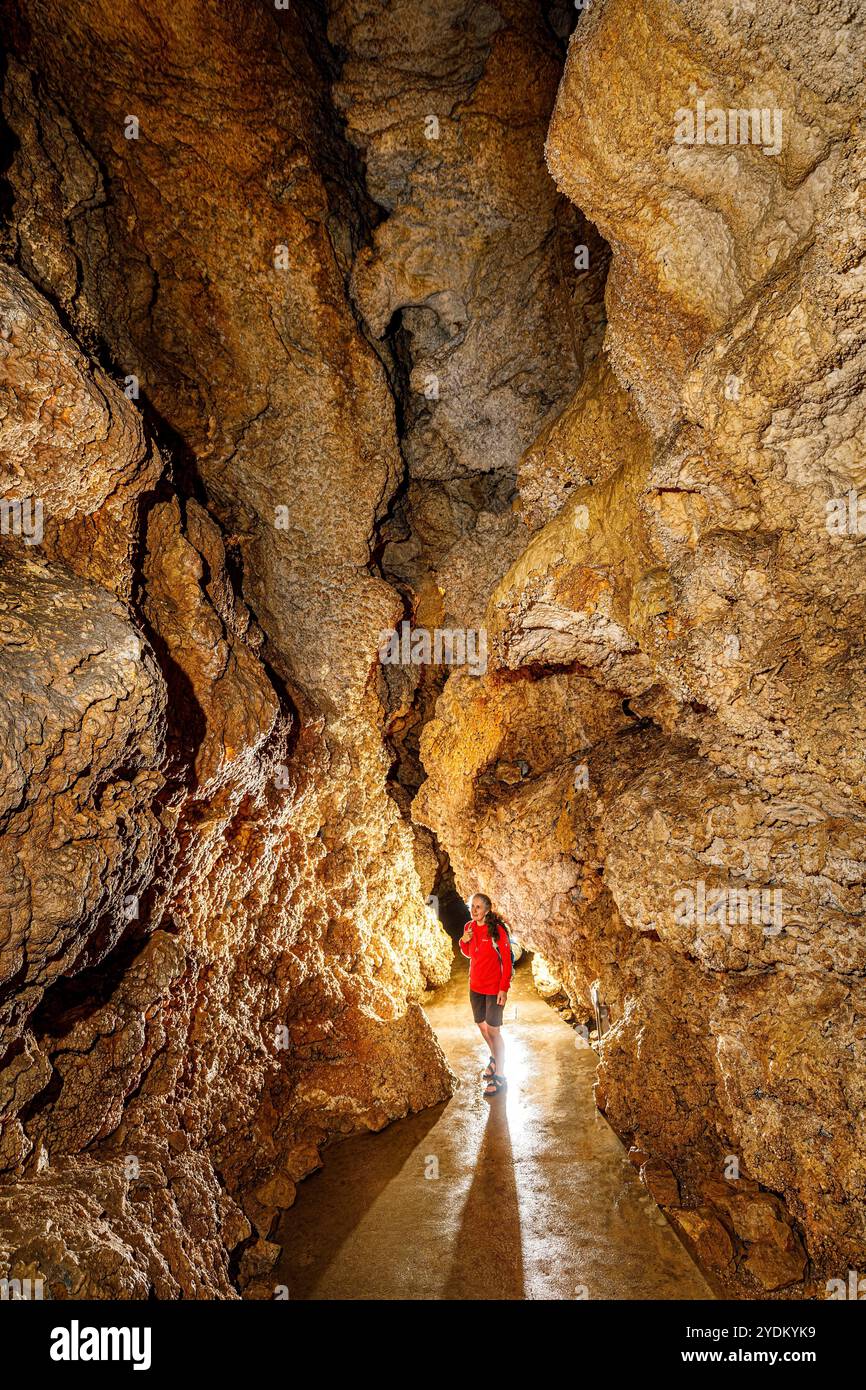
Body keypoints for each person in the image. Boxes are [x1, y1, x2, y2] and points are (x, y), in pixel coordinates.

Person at [459, 892, 512, 1096]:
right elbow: (469, 953)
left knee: (493, 1031)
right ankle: (494, 1058)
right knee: (482, 1027)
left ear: (487, 910)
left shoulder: (497, 930)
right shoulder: (469, 927)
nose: (474, 910)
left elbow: (506, 961)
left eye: (478, 907)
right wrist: (464, 941)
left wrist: (503, 988)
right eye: (472, 906)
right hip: (476, 986)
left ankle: (500, 1075)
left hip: (493, 988)